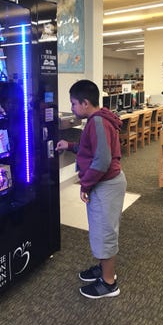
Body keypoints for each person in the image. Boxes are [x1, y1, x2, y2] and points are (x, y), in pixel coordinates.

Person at [56, 80, 127, 299]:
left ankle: (109, 283)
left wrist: (85, 185)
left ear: (86, 103)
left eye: (74, 104)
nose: (73, 108)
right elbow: (92, 148)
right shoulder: (99, 119)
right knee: (100, 229)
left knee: (105, 233)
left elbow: (102, 160)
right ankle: (103, 268)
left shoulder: (97, 122)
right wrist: (70, 146)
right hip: (105, 183)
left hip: (106, 184)